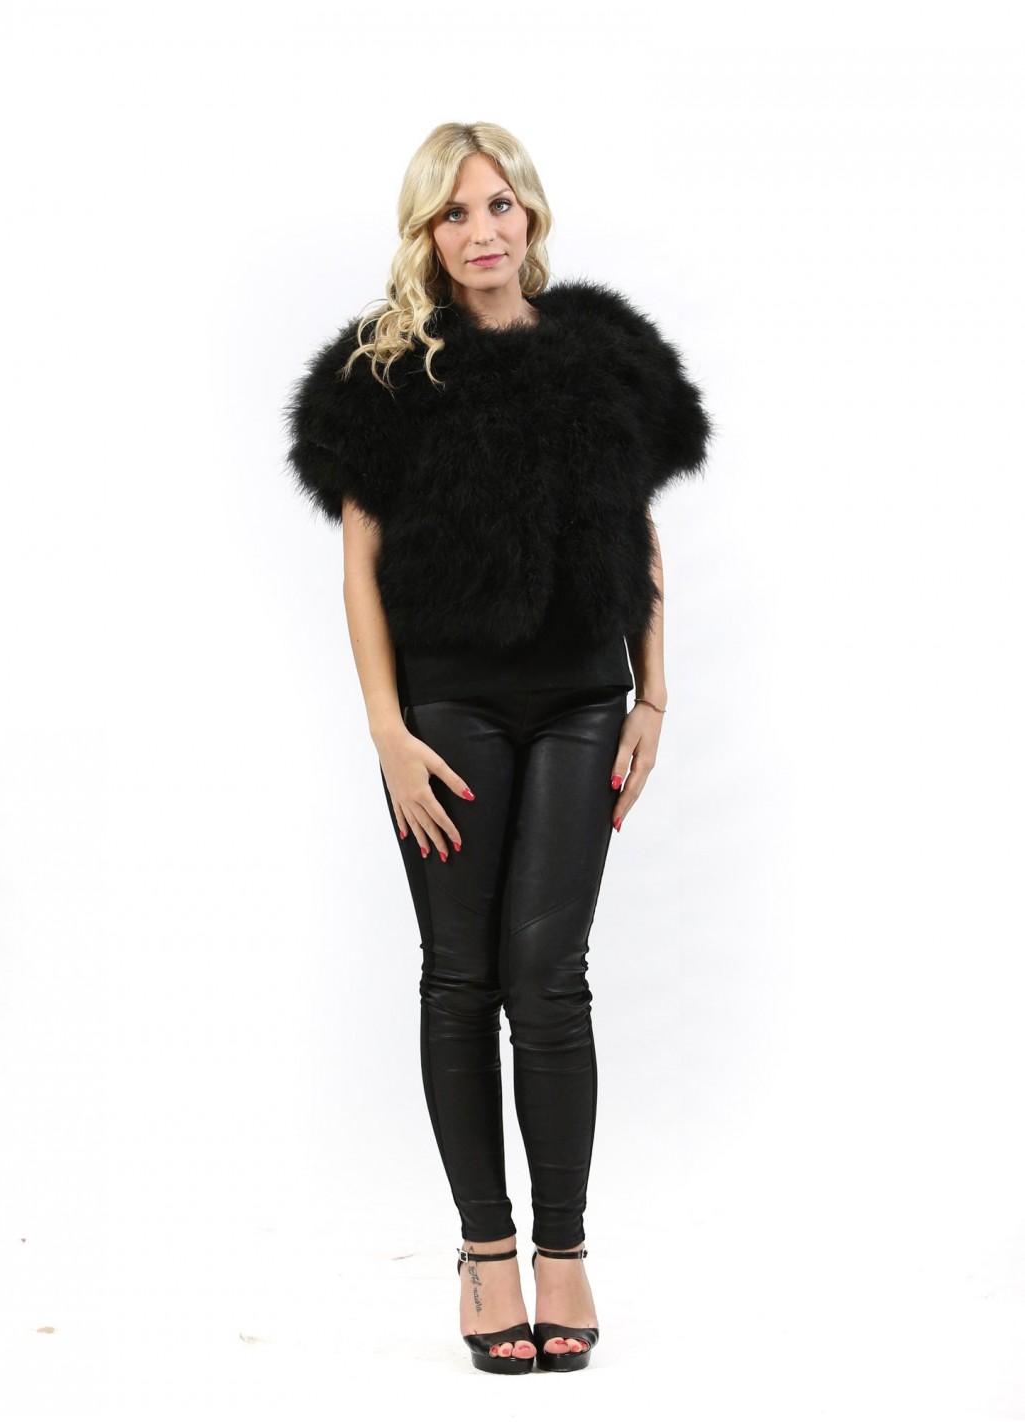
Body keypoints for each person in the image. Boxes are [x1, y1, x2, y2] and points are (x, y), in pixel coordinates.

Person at [284, 121, 713, 1375]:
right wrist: (387, 731)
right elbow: (360, 566)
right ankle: (485, 1252)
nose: (481, 230)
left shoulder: (606, 356)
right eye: (454, 212)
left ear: (529, 213)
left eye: (499, 205)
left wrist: (651, 696)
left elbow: (636, 535)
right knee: (460, 976)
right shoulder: (382, 372)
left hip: (582, 698)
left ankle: (562, 1247)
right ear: (426, 233)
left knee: (548, 975)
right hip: (447, 710)